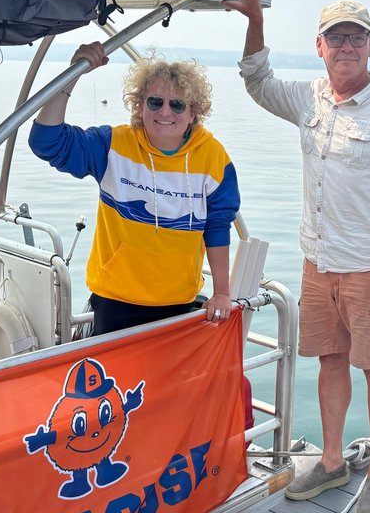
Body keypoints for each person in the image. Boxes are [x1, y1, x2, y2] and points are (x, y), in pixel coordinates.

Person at [224, 0, 370, 513]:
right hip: (318, 262)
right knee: (329, 361)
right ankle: (332, 459)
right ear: (319, 46)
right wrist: (255, 21)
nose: (347, 47)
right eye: (336, 38)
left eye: (357, 37)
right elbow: (258, 82)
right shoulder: (309, 98)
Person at [28, 43, 240, 334]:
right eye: (155, 102)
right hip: (115, 300)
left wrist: (221, 293)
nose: (165, 111)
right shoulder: (112, 145)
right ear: (141, 106)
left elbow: (217, 226)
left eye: (177, 104)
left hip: (178, 302)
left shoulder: (214, 158)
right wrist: (72, 75)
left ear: (193, 113)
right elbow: (46, 141)